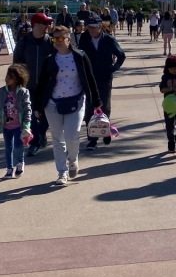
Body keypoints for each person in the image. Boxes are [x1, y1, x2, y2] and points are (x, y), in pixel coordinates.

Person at [32, 26, 100, 185]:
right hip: (52, 104)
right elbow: (41, 84)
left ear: (69, 39)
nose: (57, 42)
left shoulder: (80, 56)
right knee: (57, 138)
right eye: (54, 39)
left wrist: (97, 102)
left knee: (72, 136)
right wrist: (37, 107)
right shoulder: (49, 59)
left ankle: (73, 159)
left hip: (76, 101)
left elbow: (90, 80)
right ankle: (62, 172)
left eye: (61, 38)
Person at [78, 14, 126, 149]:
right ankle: (92, 139)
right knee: (89, 108)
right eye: (89, 27)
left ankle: (105, 132)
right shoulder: (84, 38)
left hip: (104, 78)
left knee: (104, 107)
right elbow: (80, 56)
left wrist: (112, 69)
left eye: (94, 27)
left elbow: (121, 55)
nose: (91, 30)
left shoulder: (109, 40)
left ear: (100, 26)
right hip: (89, 78)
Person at [13, 12, 55, 156]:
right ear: (36, 25)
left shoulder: (51, 42)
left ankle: (42, 133)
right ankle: (35, 142)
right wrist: (17, 84)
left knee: (46, 114)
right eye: (45, 23)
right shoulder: (23, 43)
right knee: (29, 115)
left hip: (47, 86)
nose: (48, 26)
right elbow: (16, 65)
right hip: (27, 86)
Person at [0, 64, 32, 178]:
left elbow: (27, 109)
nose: (7, 79)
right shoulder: (1, 92)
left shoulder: (23, 92)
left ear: (17, 79)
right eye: (7, 76)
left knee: (18, 146)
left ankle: (20, 162)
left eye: (11, 77)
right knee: (8, 148)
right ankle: (9, 168)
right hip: (6, 126)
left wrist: (26, 124)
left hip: (19, 125)